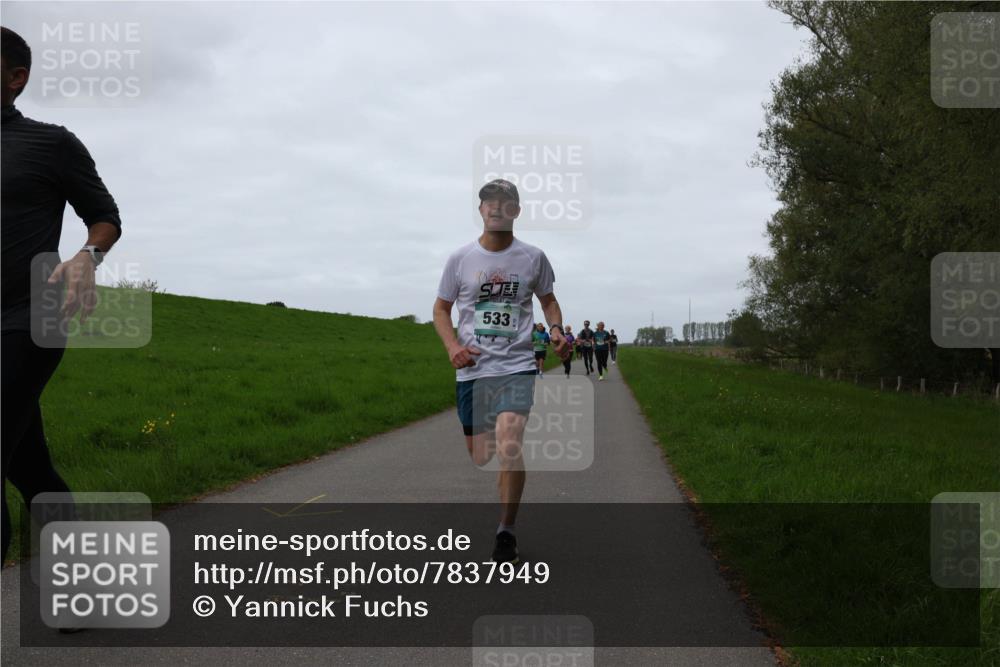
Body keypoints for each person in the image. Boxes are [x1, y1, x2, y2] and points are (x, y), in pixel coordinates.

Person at [1, 27, 122, 560]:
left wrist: (85, 256)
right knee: (28, 465)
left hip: (30, 317)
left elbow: (105, 216)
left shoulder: (51, 143)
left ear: (15, 77)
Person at [433, 178, 570, 564]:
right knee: (482, 454)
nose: (496, 208)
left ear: (516, 211)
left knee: (510, 440)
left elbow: (549, 301)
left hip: (516, 364)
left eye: (505, 203)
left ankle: (505, 531)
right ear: (480, 210)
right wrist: (453, 347)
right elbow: (441, 310)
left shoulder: (533, 257)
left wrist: (556, 329)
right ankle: (505, 483)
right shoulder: (460, 259)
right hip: (474, 369)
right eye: (489, 202)